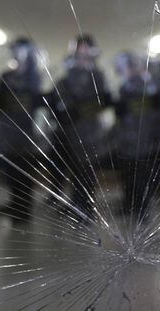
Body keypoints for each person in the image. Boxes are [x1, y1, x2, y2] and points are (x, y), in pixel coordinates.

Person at [48, 34, 113, 222]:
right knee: (75, 170)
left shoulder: (98, 76)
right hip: (70, 132)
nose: (83, 53)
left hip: (91, 132)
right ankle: (76, 204)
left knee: (88, 170)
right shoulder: (67, 76)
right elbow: (57, 99)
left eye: (86, 49)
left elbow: (105, 100)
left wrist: (85, 109)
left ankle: (84, 206)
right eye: (80, 49)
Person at [113, 51, 160, 222]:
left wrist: (157, 134)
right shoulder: (125, 88)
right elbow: (121, 114)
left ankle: (143, 209)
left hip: (146, 139)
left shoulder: (151, 86)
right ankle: (129, 205)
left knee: (142, 176)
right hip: (127, 140)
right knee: (128, 175)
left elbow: (159, 113)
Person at [0, 37, 43, 221]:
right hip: (8, 132)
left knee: (25, 173)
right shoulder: (7, 77)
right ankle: (15, 203)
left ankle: (24, 209)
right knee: (11, 172)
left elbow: (42, 104)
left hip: (29, 135)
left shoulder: (36, 78)